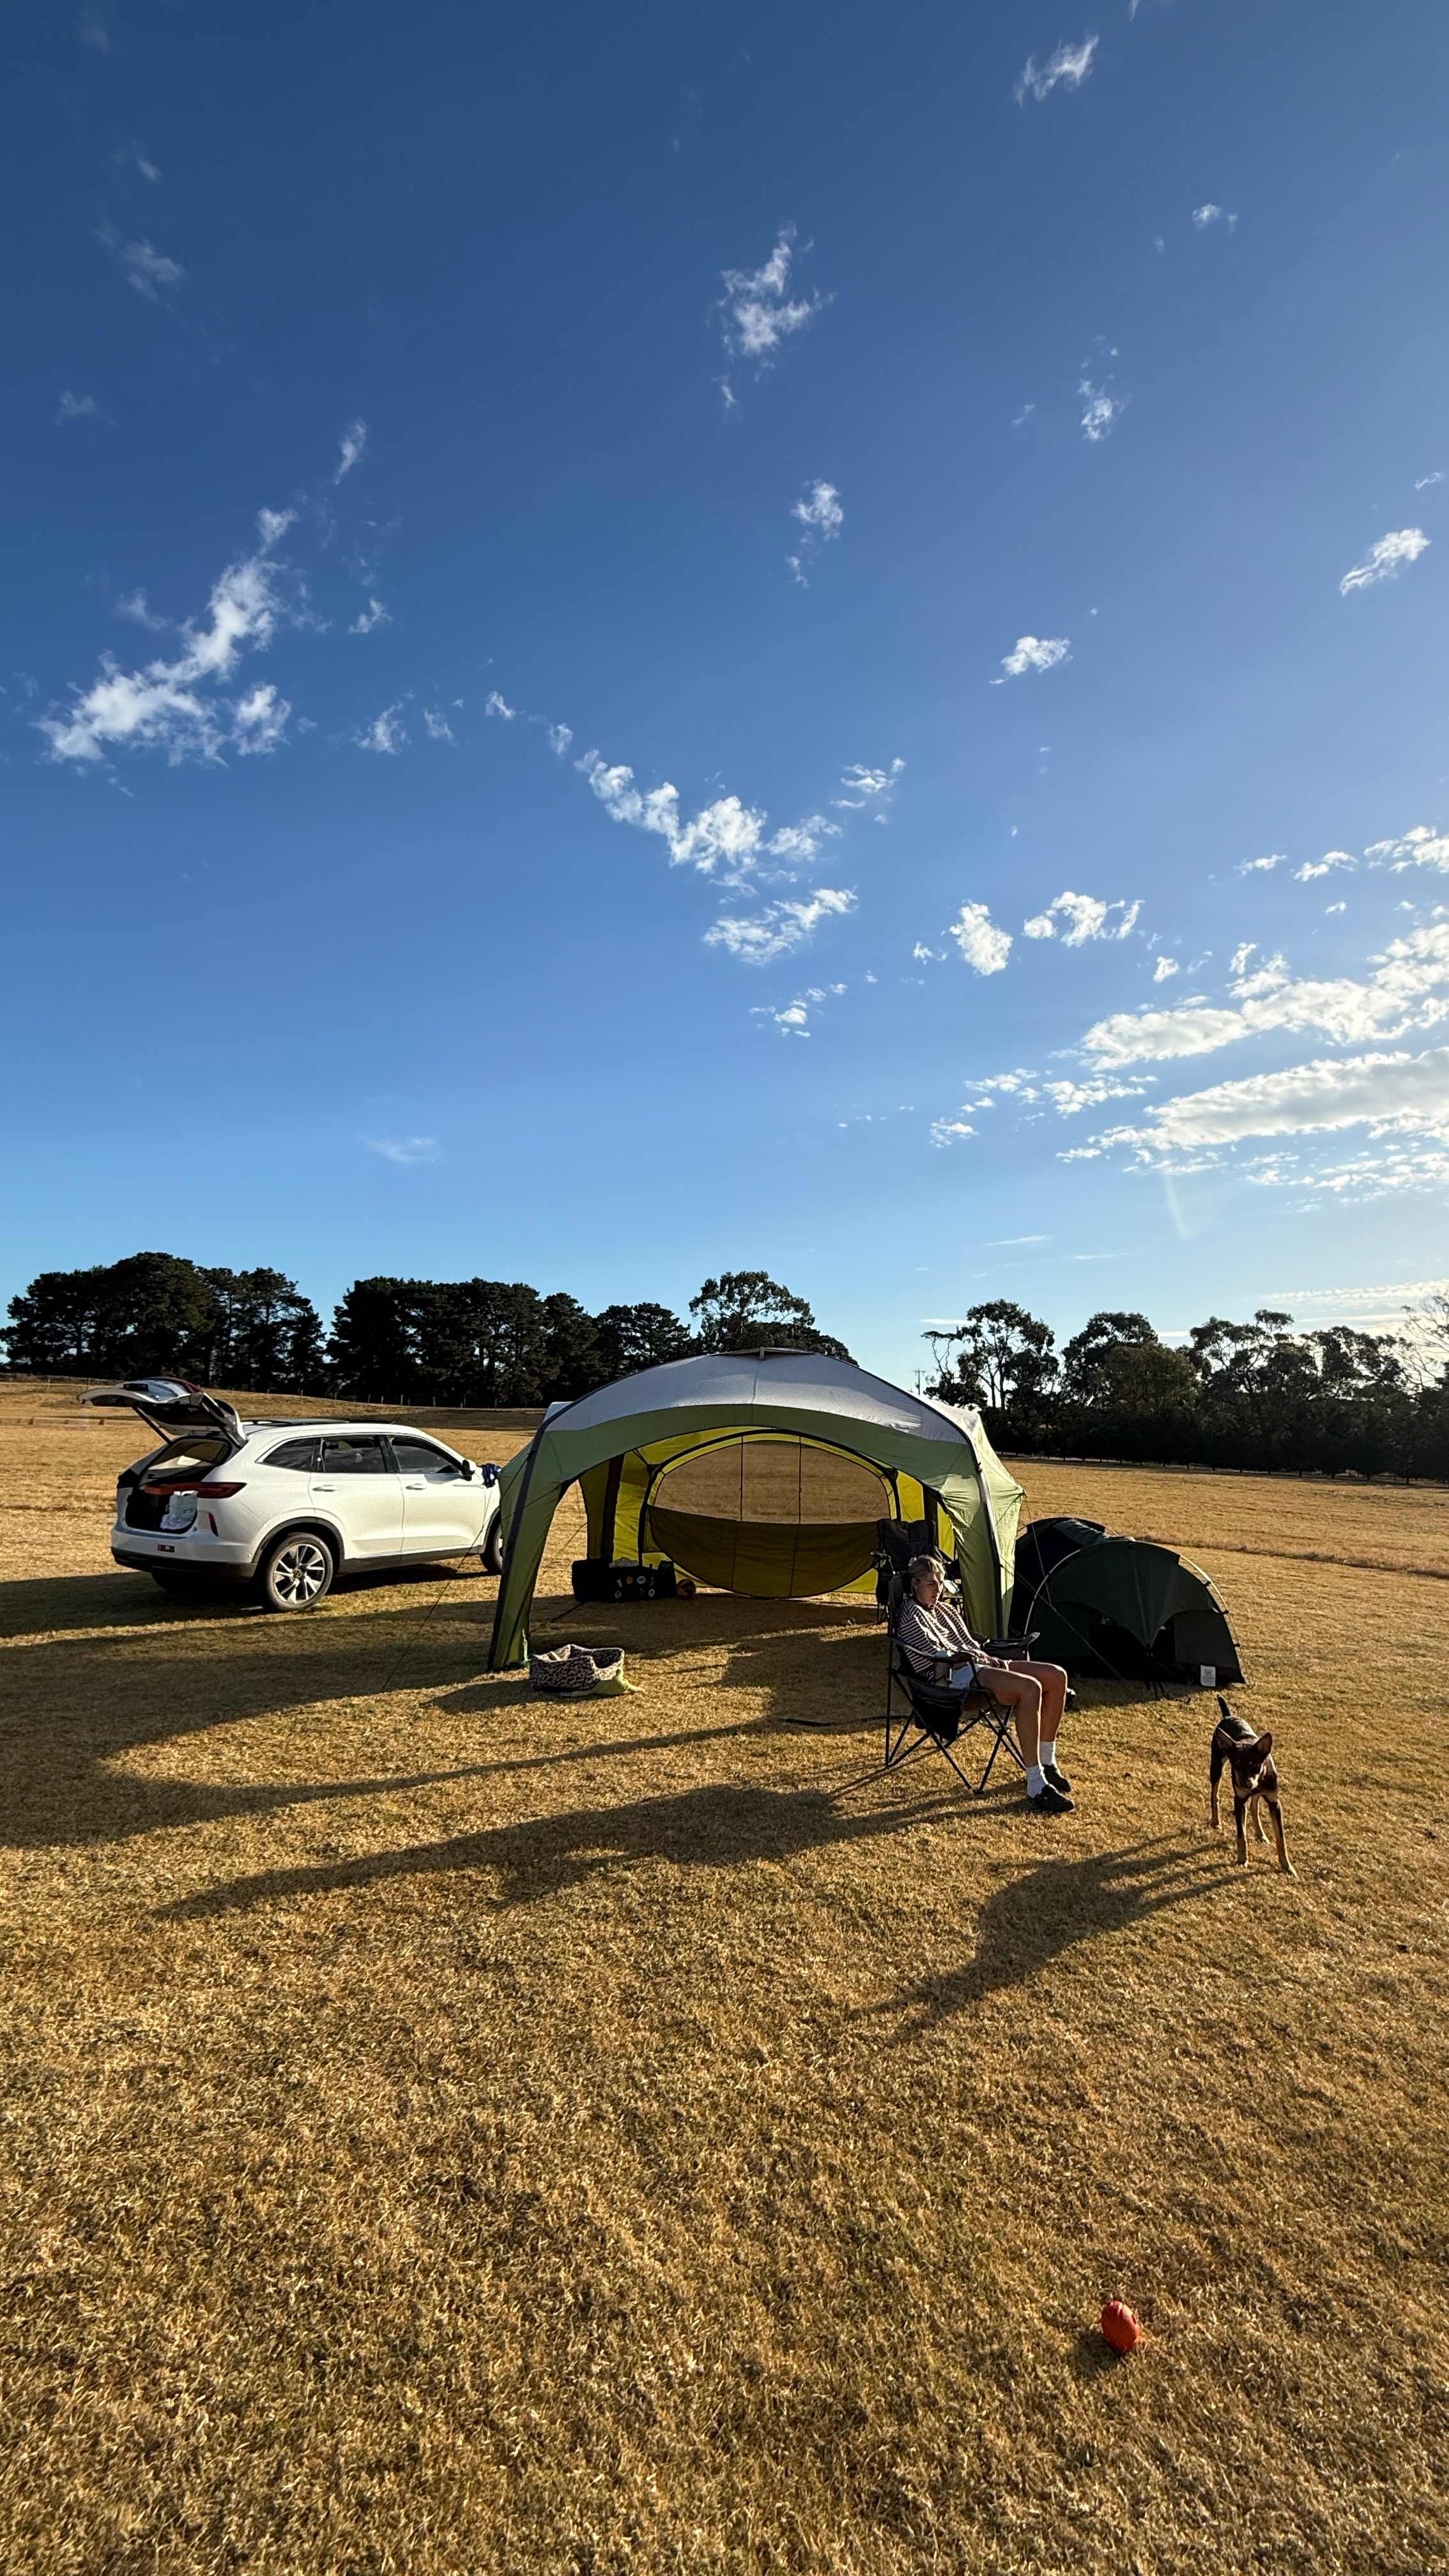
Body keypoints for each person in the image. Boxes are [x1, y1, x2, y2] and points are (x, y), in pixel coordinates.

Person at [895, 1554, 1075, 1814]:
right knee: (1029, 1688)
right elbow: (932, 1656)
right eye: (931, 1584)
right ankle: (1036, 1784)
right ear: (914, 1584)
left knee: (1057, 1676)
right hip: (951, 1678)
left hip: (979, 1665)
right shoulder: (911, 1613)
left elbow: (971, 1643)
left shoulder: (945, 1610)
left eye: (942, 1583)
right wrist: (973, 1659)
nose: (939, 1590)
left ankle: (1047, 1762)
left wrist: (989, 1657)